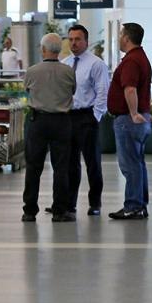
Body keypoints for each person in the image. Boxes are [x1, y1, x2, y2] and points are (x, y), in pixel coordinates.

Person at [22, 34, 77, 222]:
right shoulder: (68, 71)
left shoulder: (32, 71)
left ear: (43, 49)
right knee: (61, 167)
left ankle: (29, 211)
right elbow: (72, 91)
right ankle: (59, 210)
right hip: (62, 122)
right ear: (60, 49)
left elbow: (27, 90)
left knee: (33, 166)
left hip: (38, 121)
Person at [62, 25, 110, 216]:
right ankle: (70, 203)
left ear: (86, 41)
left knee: (93, 163)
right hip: (68, 117)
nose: (73, 43)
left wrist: (95, 116)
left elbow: (103, 92)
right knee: (70, 163)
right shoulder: (64, 64)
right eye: (71, 39)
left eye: (78, 39)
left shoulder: (96, 64)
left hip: (87, 117)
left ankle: (95, 203)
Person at [108, 22, 152, 220]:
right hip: (139, 117)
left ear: (126, 38)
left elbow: (130, 89)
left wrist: (134, 113)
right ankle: (140, 204)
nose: (119, 38)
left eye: (120, 34)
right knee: (138, 163)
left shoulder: (131, 61)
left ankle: (133, 205)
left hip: (128, 120)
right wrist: (144, 111)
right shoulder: (141, 58)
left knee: (130, 166)